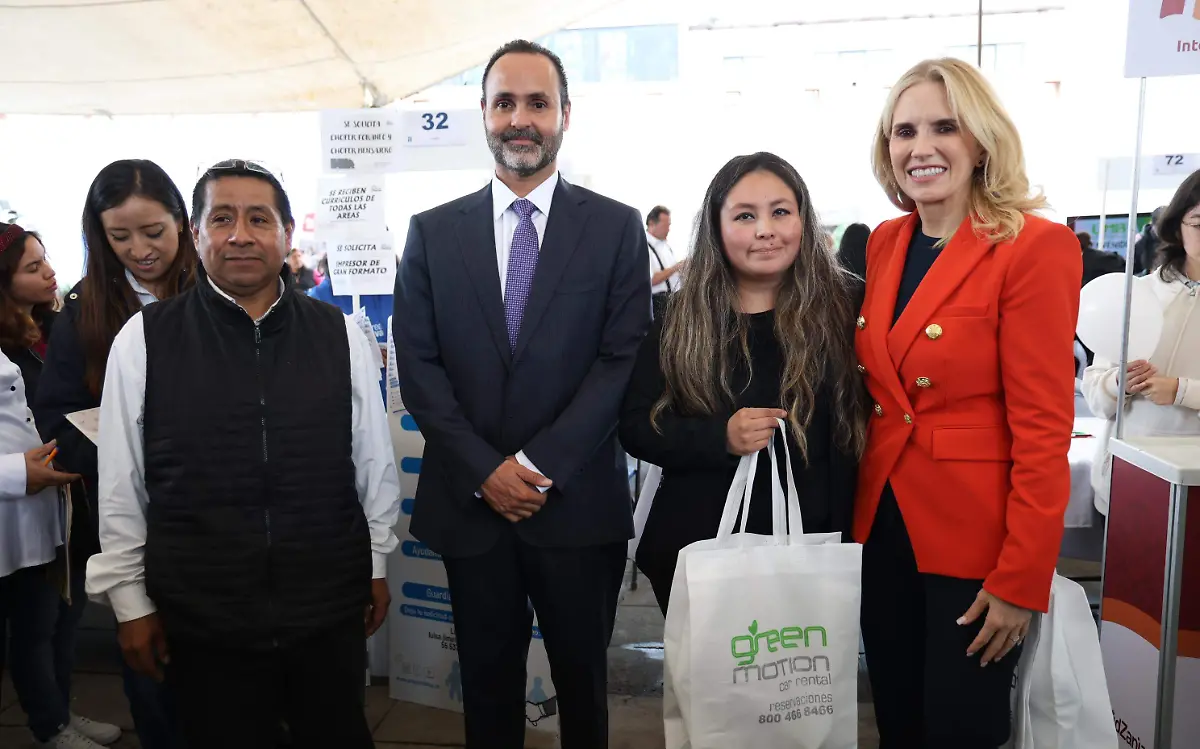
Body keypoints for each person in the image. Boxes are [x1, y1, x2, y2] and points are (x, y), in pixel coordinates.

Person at [84, 160, 401, 749]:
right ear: (195, 233)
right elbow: (122, 481)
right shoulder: (146, 339)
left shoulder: (339, 335)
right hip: (203, 614)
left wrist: (376, 565)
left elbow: (371, 464)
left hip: (325, 605)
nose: (240, 235)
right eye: (221, 219)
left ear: (286, 233)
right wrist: (130, 602)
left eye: (259, 219)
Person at [394, 39, 649, 749]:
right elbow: (419, 367)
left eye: (538, 102)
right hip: (471, 509)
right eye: (504, 102)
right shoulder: (431, 234)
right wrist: (486, 470)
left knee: (584, 692)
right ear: (483, 112)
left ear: (565, 114)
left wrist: (535, 467)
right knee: (485, 690)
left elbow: (620, 360)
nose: (520, 118)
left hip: (577, 506)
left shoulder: (615, 228)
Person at [855, 58, 1080, 749]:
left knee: (962, 730)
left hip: (975, 545)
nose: (920, 147)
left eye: (944, 128)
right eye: (904, 132)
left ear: (981, 141)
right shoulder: (886, 241)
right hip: (880, 529)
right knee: (897, 723)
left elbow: (1044, 429)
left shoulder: (1033, 246)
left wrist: (1021, 576)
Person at [619, 153, 866, 615]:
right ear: (716, 227)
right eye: (745, 216)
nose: (765, 230)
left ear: (803, 220)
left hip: (818, 551)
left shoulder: (847, 307)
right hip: (704, 552)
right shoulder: (676, 319)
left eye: (780, 211)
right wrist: (720, 437)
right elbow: (635, 426)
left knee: (810, 664)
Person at [34, 160, 196, 749]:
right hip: (132, 516)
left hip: (225, 513)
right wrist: (132, 441)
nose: (140, 250)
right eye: (120, 236)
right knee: (153, 677)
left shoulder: (220, 289)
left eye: (153, 232)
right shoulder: (85, 308)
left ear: (181, 221)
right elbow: (57, 419)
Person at [0, 222, 106, 749]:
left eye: (45, 260)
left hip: (62, 500)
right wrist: (20, 471)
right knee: (33, 625)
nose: (49, 272)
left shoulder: (52, 330)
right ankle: (49, 725)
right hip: (17, 508)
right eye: (32, 266)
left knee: (63, 615)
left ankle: (60, 713)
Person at [1082, 169, 1200, 514]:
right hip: (1126, 480)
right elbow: (1095, 395)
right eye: (1199, 224)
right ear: (1177, 227)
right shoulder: (1136, 295)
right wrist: (1119, 383)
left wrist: (1181, 390)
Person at [646, 205, 682, 319]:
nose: (668, 230)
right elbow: (649, 280)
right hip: (657, 306)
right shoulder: (643, 247)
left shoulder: (666, 246)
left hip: (674, 303)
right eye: (665, 226)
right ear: (652, 224)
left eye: (669, 225)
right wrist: (676, 267)